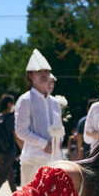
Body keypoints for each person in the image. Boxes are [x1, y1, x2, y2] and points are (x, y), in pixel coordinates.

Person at [15, 49, 63, 184]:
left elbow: (60, 128)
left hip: (55, 160)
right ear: (30, 76)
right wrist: (44, 144)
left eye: (46, 71)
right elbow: (21, 130)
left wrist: (59, 141)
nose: (44, 75)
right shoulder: (25, 100)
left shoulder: (55, 103)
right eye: (39, 72)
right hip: (33, 159)